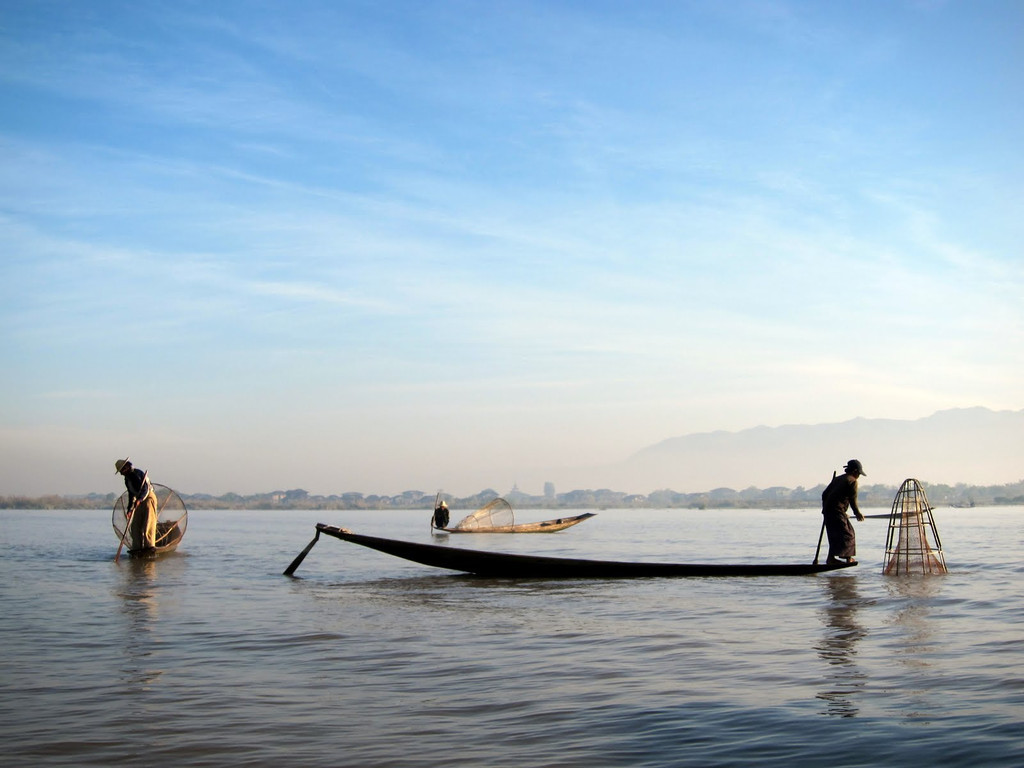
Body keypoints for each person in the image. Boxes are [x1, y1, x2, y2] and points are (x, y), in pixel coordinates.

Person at [821, 459, 866, 565]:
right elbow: (852, 499)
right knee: (848, 534)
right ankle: (848, 558)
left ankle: (831, 559)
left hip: (829, 511)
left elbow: (824, 495)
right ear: (855, 471)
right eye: (858, 473)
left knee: (834, 535)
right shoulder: (852, 481)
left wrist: (826, 508)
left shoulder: (837, 479)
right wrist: (857, 513)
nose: (858, 476)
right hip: (836, 511)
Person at [115, 457, 158, 551]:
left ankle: (149, 546)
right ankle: (137, 548)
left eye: (122, 470)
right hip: (139, 499)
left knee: (148, 523)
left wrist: (140, 499)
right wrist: (129, 509)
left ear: (126, 467)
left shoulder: (137, 474)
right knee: (135, 526)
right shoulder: (127, 480)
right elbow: (131, 494)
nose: (121, 473)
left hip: (148, 497)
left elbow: (145, 489)